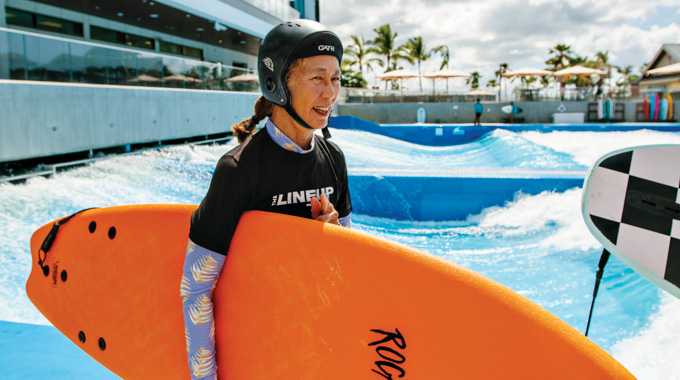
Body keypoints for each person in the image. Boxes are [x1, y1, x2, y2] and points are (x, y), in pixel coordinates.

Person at [181, 20, 352, 380]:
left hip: (310, 350)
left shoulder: (333, 159)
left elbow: (346, 270)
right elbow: (196, 288)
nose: (330, 92)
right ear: (279, 85)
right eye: (317, 78)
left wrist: (334, 240)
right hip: (255, 352)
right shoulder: (238, 170)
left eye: (335, 79)